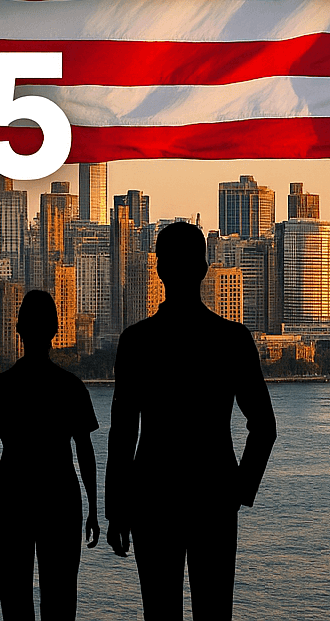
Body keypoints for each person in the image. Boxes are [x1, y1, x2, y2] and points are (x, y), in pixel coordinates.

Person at [105, 221, 277, 621]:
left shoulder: (137, 341)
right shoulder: (232, 339)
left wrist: (117, 509)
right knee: (215, 612)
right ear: (203, 269)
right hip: (214, 495)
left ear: (160, 270)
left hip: (153, 496)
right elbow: (264, 427)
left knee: (159, 612)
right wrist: (238, 489)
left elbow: (123, 434)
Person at [0, 289, 100, 621]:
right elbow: (84, 452)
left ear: (18, 329)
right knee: (60, 598)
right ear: (55, 331)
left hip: (11, 497)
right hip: (60, 497)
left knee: (14, 599)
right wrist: (92, 507)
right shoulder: (71, 387)